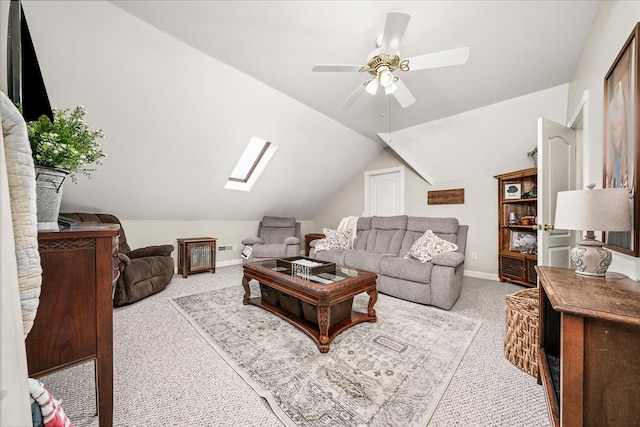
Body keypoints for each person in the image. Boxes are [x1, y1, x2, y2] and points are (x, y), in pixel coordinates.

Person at [605, 80, 631, 249]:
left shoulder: (628, 165)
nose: (616, 135)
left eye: (619, 126)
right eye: (613, 127)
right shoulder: (613, 166)